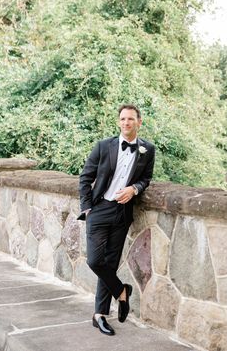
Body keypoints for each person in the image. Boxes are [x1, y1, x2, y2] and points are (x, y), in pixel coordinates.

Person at [78, 104, 155, 336]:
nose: (126, 123)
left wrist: (134, 189)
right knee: (94, 260)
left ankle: (99, 315)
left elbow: (147, 179)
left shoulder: (147, 149)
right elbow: (85, 177)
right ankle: (122, 291)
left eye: (131, 119)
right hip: (99, 209)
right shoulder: (103, 146)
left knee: (110, 264)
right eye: (122, 119)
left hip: (122, 214)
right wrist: (88, 208)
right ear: (118, 121)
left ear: (139, 122)